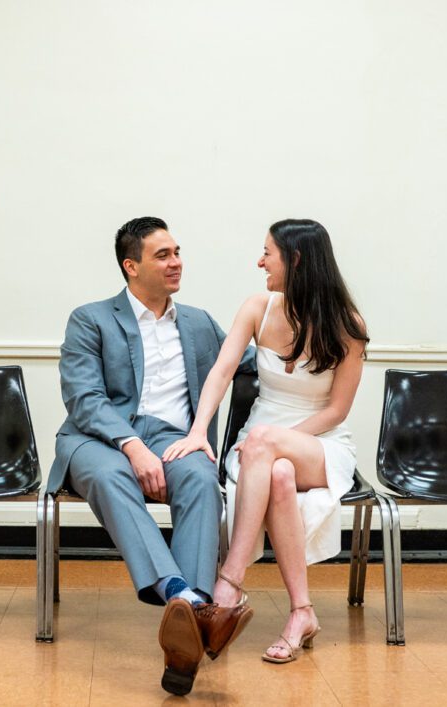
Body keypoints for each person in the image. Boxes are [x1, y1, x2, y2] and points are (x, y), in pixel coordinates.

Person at [50, 216, 254, 697]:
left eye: (178, 252)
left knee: (202, 478)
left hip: (172, 438)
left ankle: (185, 623)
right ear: (131, 266)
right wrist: (132, 444)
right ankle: (186, 599)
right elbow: (84, 398)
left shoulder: (200, 323)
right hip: (95, 438)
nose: (176, 262)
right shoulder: (91, 318)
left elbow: (251, 364)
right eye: (162, 255)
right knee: (112, 479)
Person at [162, 218, 368, 664]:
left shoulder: (348, 324)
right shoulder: (257, 307)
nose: (260, 262)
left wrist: (275, 439)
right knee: (276, 472)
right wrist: (198, 432)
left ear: (295, 259)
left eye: (267, 253)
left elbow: (336, 411)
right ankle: (301, 612)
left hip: (321, 443)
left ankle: (229, 584)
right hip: (260, 449)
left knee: (268, 450)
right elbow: (220, 372)